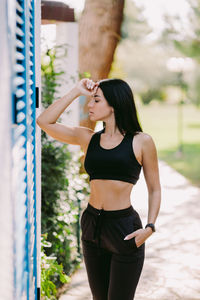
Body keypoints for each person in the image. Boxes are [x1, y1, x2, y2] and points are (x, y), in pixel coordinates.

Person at [36, 78, 161, 300]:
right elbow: (44, 121)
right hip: (92, 225)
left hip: (124, 229)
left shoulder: (142, 141)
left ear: (114, 103)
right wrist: (76, 90)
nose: (89, 105)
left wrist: (150, 227)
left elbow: (154, 189)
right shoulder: (88, 138)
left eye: (96, 100)